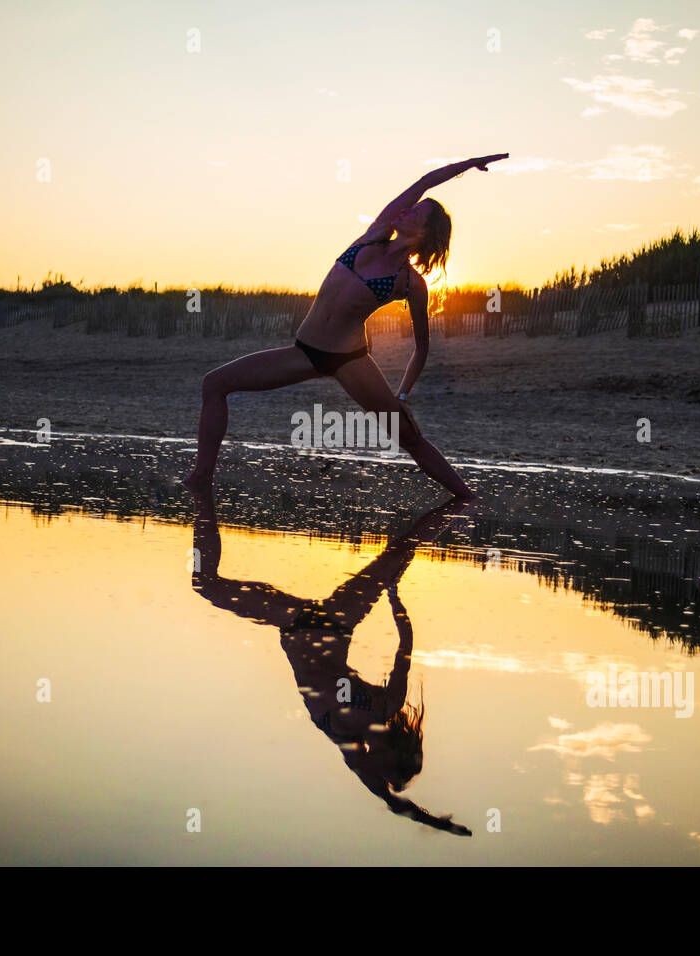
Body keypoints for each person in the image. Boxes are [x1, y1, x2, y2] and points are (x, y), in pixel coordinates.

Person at [184, 153, 510, 498]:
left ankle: (468, 500)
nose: (408, 209)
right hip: (304, 352)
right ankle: (200, 479)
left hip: (349, 360)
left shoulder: (410, 283)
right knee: (214, 384)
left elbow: (422, 347)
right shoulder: (374, 234)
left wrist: (401, 394)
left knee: (409, 438)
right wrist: (469, 163)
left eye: (417, 212)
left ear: (425, 232)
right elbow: (424, 182)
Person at [190, 485, 475, 835]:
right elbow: (406, 649)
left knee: (204, 583)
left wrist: (431, 821)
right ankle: (459, 503)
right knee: (398, 551)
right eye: (384, 768)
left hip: (292, 621)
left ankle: (200, 498)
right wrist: (395, 600)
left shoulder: (349, 742)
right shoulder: (388, 704)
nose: (376, 770)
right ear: (394, 756)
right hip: (339, 621)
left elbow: (390, 801)